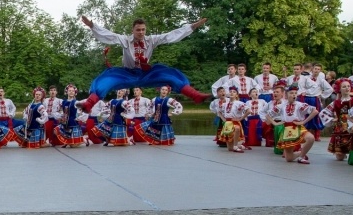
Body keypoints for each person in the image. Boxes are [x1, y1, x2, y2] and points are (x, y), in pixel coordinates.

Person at [79, 16, 209, 110]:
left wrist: (192, 27)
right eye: (138, 30)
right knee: (106, 80)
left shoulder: (151, 40)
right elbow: (109, 35)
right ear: (133, 30)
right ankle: (89, 104)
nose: (141, 32)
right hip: (127, 74)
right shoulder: (125, 40)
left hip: (146, 73)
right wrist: (92, 26)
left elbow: (170, 36)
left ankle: (196, 95)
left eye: (143, 30)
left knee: (170, 75)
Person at [268, 85, 318, 164]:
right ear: (286, 95)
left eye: (295, 93)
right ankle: (301, 153)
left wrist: (303, 122)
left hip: (297, 127)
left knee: (310, 138)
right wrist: (275, 123)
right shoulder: (281, 106)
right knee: (289, 158)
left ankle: (301, 157)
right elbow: (268, 115)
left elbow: (315, 111)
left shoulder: (300, 105)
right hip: (287, 130)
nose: (294, 95)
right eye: (291, 93)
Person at [319, 79, 353, 161]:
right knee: (339, 157)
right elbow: (323, 113)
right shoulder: (336, 102)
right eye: (344, 87)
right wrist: (332, 119)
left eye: (348, 86)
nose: (347, 88)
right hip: (340, 129)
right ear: (339, 89)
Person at [297, 63, 333, 141]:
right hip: (306, 98)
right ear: (312, 69)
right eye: (315, 69)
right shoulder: (306, 77)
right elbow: (300, 86)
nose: (316, 71)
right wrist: (302, 92)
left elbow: (330, 89)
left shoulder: (321, 80)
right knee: (305, 115)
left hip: (314, 99)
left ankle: (316, 135)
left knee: (316, 116)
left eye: (318, 69)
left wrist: (322, 95)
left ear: (320, 71)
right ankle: (303, 134)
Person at [219, 86, 250, 153]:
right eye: (230, 91)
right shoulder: (225, 104)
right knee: (230, 149)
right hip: (227, 123)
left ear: (236, 95)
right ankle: (240, 146)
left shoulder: (239, 103)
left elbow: (248, 111)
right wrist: (223, 118)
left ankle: (236, 146)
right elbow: (219, 111)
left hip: (235, 122)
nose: (232, 93)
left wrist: (241, 118)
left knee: (237, 128)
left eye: (234, 92)